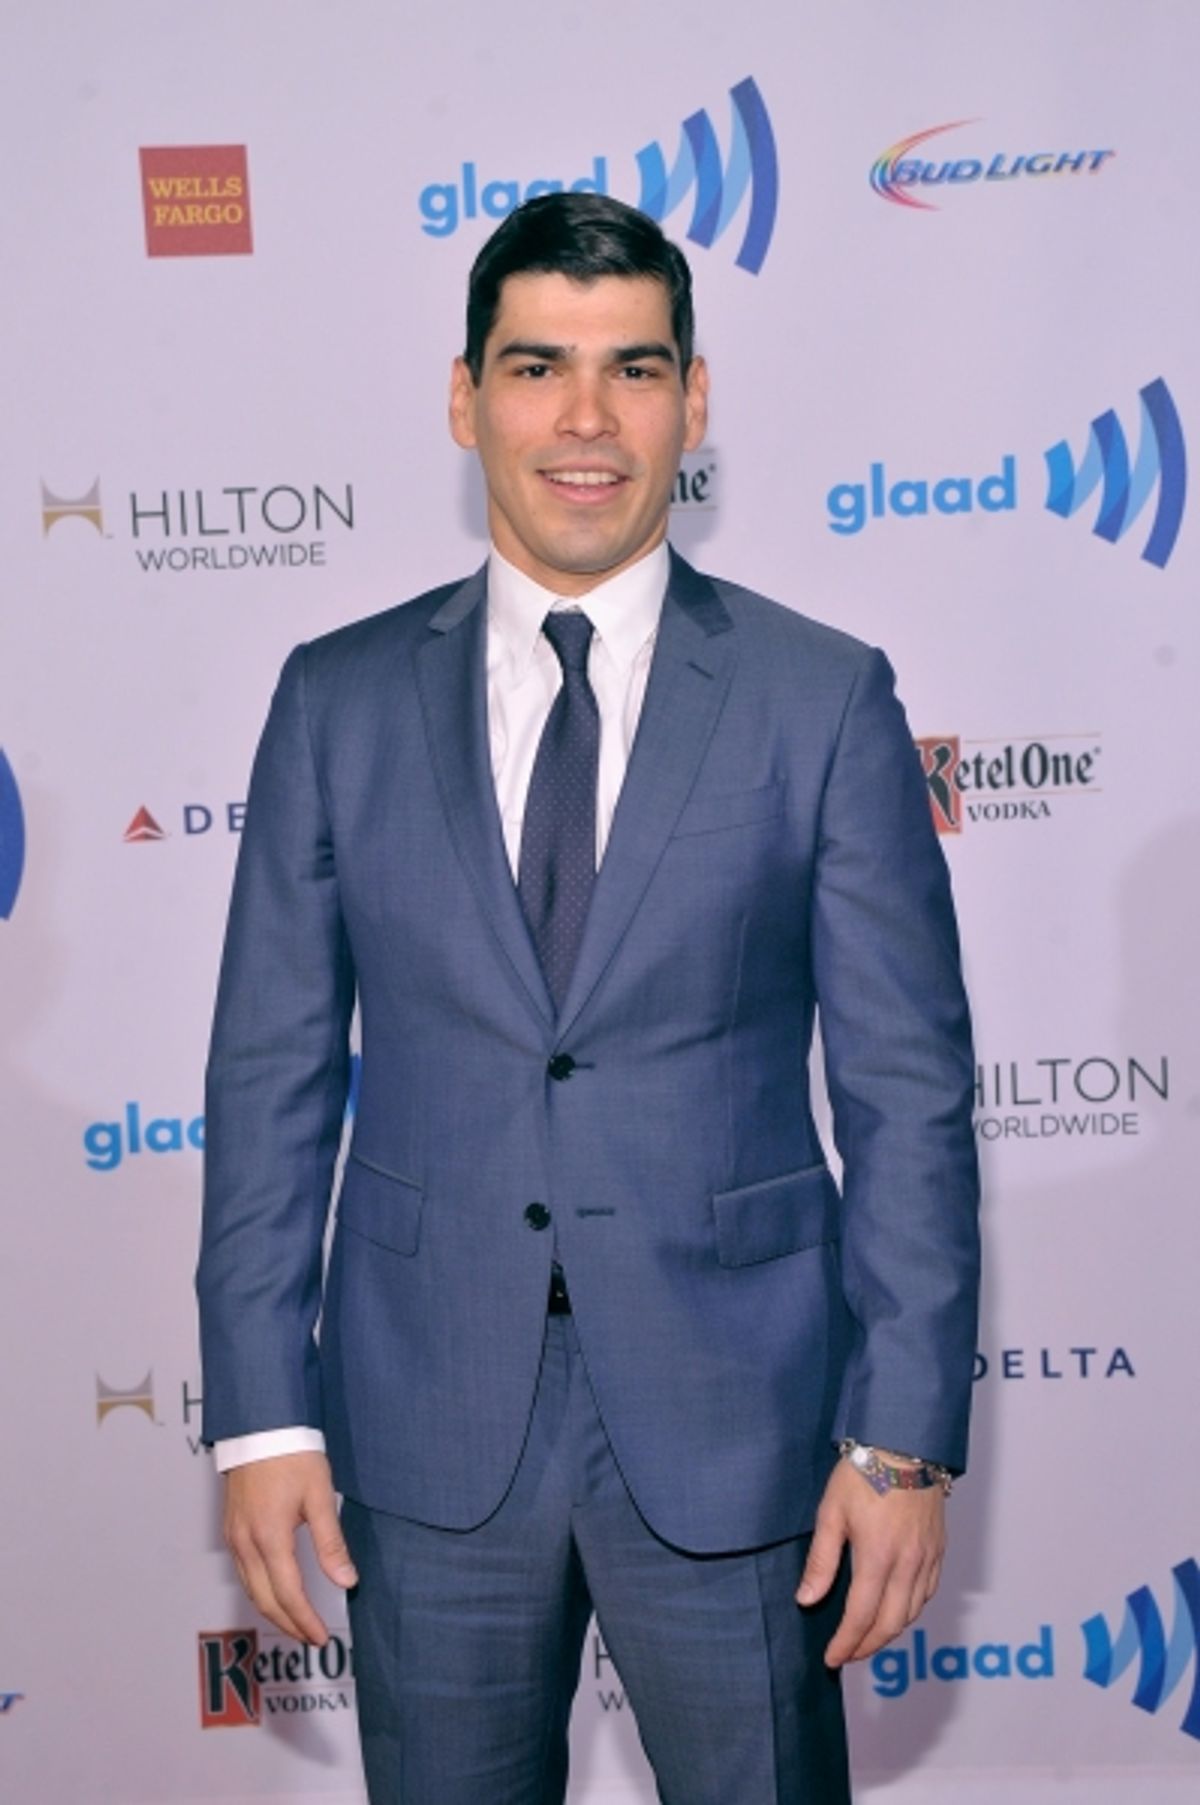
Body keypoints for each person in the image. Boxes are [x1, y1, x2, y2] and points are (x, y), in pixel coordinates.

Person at [197, 191, 980, 1804]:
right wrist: (261, 1417)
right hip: (428, 1420)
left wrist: (899, 1436)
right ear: (464, 393)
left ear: (695, 402)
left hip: (742, 1417)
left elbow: (908, 1094)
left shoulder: (821, 697)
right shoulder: (332, 701)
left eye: (633, 371)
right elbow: (268, 1076)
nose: (583, 418)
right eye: (537, 364)